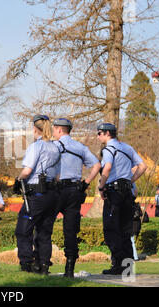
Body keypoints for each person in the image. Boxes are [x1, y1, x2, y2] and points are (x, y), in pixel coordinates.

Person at [52, 118, 101, 277]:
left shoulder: (53, 146)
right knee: (71, 230)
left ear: (59, 130)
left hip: (56, 190)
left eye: (54, 129)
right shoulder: (80, 147)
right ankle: (70, 268)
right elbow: (97, 165)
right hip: (74, 190)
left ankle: (42, 264)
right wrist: (85, 183)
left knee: (44, 226)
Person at [97, 123, 147, 275]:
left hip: (114, 192)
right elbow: (142, 166)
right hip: (127, 192)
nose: (98, 136)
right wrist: (131, 181)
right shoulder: (127, 147)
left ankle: (117, 264)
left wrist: (101, 186)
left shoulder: (108, 149)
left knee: (111, 229)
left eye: (99, 133)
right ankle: (128, 267)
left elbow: (107, 167)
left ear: (107, 133)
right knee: (125, 230)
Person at [14, 115, 61, 275]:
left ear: (35, 129)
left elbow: (27, 171)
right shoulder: (56, 147)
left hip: (37, 193)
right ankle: (43, 265)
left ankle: (27, 263)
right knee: (44, 231)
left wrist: (18, 180)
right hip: (52, 194)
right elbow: (57, 176)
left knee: (23, 229)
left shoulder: (36, 146)